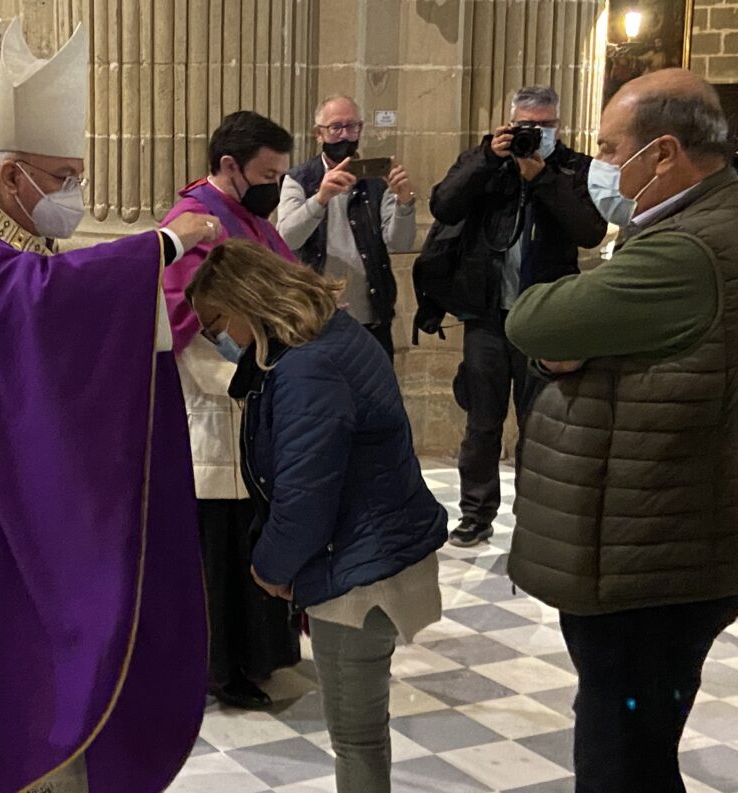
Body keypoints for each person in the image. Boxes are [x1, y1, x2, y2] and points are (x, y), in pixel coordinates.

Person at [0, 20, 217, 793]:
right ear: (10, 175)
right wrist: (160, 247)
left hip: (21, 510)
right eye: (63, 176)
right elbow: (43, 311)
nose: (73, 193)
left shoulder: (14, 243)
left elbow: (61, 353)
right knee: (1, 693)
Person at [505, 69, 738, 793]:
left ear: (664, 152)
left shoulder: (687, 249)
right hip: (670, 542)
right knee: (634, 739)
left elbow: (534, 318)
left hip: (651, 551)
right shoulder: (692, 223)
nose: (601, 163)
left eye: (610, 148)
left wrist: (568, 340)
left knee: (620, 755)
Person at [187, 239, 447, 793]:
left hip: (357, 571)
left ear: (245, 304)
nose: (218, 339)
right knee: (365, 730)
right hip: (369, 550)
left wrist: (271, 569)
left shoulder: (309, 369)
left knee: (355, 737)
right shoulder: (329, 336)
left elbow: (306, 495)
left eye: (216, 324)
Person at [161, 110, 301, 710]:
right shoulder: (193, 221)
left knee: (250, 536)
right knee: (222, 549)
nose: (274, 185)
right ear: (228, 166)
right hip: (218, 404)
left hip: (257, 399)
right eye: (267, 173)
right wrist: (244, 369)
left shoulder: (245, 216)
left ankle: (261, 654)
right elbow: (179, 313)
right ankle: (224, 669)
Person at [430, 85, 606, 548]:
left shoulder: (575, 167)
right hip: (488, 315)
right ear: (510, 124)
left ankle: (534, 517)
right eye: (527, 126)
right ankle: (475, 514)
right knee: (482, 421)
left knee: (540, 422)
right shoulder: (487, 161)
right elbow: (444, 204)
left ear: (558, 126)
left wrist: (542, 177)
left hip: (546, 317)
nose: (536, 134)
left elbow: (590, 230)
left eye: (545, 126)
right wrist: (490, 159)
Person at [277, 94, 417, 359]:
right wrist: (320, 199)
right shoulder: (299, 179)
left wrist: (404, 201)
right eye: (336, 128)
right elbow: (287, 238)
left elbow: (400, 243)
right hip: (315, 315)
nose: (344, 136)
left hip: (371, 316)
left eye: (352, 127)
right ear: (319, 134)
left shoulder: (377, 180)